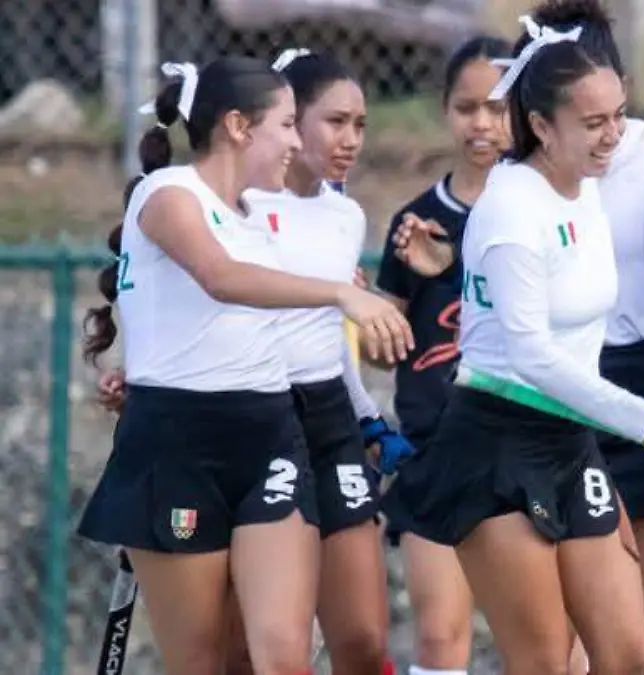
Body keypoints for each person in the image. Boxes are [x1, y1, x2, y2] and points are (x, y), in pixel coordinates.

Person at [391, 23, 644, 675]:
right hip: (496, 442)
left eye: (620, 117)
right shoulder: (513, 205)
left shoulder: (583, 187)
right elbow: (531, 355)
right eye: (595, 121)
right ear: (543, 126)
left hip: (570, 441)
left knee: (629, 651)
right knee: (544, 661)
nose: (615, 135)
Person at [76, 56, 411, 675]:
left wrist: (361, 414)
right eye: (286, 124)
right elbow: (219, 279)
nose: (295, 140)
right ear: (237, 126)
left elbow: (229, 315)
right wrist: (341, 293)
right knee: (204, 662)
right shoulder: (167, 193)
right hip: (176, 447)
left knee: (284, 658)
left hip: (269, 437)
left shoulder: (258, 218)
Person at [370, 34, 514, 675]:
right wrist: (360, 303)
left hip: (526, 449)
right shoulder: (416, 219)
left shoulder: (541, 207)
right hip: (436, 447)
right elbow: (386, 348)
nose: (481, 123)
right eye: (466, 107)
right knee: (439, 640)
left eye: (497, 106)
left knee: (549, 645)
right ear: (446, 111)